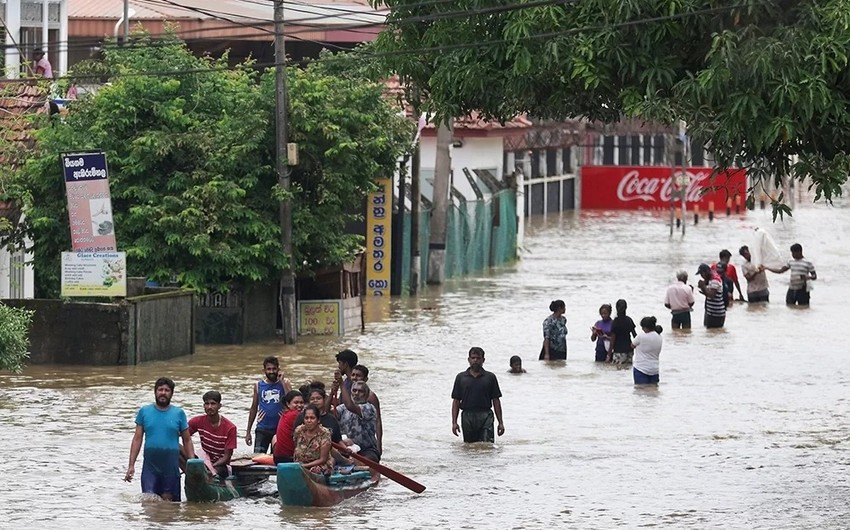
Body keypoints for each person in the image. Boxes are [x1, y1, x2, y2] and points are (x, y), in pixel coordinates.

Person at [124, 377, 195, 501]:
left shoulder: (179, 413)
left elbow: (187, 440)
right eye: (160, 389)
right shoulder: (144, 412)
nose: (163, 392)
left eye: (167, 390)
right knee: (149, 501)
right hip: (150, 468)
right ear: (155, 392)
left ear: (171, 393)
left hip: (171, 468)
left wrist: (192, 463)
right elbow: (137, 439)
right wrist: (131, 465)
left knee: (170, 505)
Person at [450, 347, 504, 443]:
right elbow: (456, 401)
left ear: (483, 360)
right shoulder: (461, 378)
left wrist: (500, 423)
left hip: (486, 415)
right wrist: (454, 422)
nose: (475, 360)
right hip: (467, 415)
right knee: (470, 446)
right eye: (473, 358)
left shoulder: (490, 377)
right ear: (469, 360)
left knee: (487, 444)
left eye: (478, 358)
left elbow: (496, 400)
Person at [185, 390, 237, 479]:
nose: (209, 407)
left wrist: (212, 466)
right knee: (178, 448)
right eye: (207, 404)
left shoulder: (230, 428)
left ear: (219, 406)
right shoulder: (197, 421)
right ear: (203, 406)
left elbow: (226, 456)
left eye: (213, 404)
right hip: (205, 460)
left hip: (220, 464)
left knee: (216, 471)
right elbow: (182, 434)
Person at [245, 356, 292, 453]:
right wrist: (248, 431)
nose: (271, 372)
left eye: (274, 369)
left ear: (278, 369)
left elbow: (291, 402)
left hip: (280, 428)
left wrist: (283, 382)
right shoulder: (258, 385)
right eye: (269, 369)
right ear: (264, 370)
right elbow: (253, 408)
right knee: (257, 458)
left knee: (277, 459)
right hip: (262, 428)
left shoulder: (285, 383)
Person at [336, 378, 381, 462]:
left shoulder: (369, 408)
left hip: (367, 450)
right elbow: (329, 414)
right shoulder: (342, 408)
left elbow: (350, 406)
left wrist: (341, 384)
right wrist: (332, 392)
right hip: (346, 448)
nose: (356, 393)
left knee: (364, 461)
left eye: (360, 391)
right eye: (354, 390)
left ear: (366, 395)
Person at [349, 364, 382, 454]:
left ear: (365, 379)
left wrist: (379, 444)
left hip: (365, 442)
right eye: (353, 375)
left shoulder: (370, 396)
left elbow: (378, 420)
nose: (355, 378)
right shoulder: (348, 392)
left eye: (358, 376)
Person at [293, 405, 334, 475]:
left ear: (318, 420)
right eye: (306, 418)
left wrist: (304, 466)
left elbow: (323, 459)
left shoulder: (324, 433)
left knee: (315, 471)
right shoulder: (299, 430)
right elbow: (296, 446)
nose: (309, 421)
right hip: (300, 464)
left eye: (312, 418)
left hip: (319, 465)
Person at [273, 390, 305, 464]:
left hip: (277, 458)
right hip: (289, 458)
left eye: (301, 402)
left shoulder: (285, 414)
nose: (299, 405)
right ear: (288, 404)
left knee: (274, 437)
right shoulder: (295, 415)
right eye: (296, 402)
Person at [631, 317, 663, 385]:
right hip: (654, 369)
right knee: (653, 392)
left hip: (641, 368)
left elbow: (632, 345)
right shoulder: (659, 337)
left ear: (645, 327)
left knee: (641, 391)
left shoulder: (641, 336)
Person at [697, 263, 726, 328]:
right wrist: (703, 288)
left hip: (716, 313)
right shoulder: (710, 279)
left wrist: (703, 286)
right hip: (711, 312)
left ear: (706, 272)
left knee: (714, 334)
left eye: (702, 274)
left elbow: (712, 295)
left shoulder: (715, 280)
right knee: (710, 334)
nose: (702, 276)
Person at [609, 299, 637, 364]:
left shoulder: (615, 322)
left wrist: (609, 354)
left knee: (618, 371)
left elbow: (612, 339)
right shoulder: (629, 320)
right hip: (629, 349)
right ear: (626, 308)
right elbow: (635, 335)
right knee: (627, 370)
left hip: (618, 350)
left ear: (616, 308)